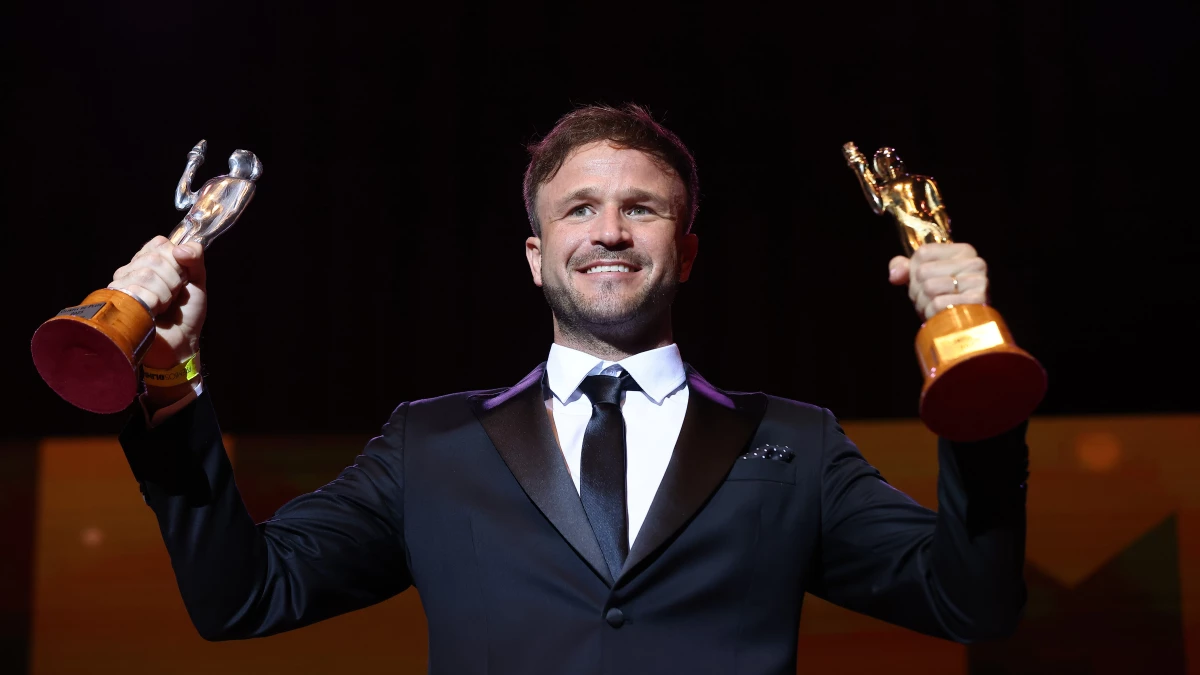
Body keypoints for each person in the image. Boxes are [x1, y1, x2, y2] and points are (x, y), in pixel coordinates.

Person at [112, 104, 1027, 675]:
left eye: (644, 207)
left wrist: (975, 382)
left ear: (688, 250)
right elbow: (242, 598)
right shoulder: (428, 446)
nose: (611, 232)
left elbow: (969, 601)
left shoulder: (794, 442)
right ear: (536, 255)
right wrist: (169, 381)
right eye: (579, 208)